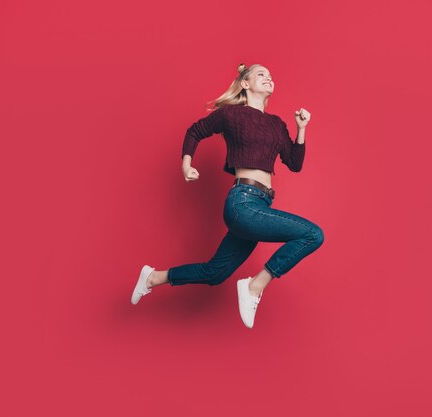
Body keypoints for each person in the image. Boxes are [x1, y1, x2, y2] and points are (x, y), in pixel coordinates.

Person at [131, 63, 324, 328]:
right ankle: (255, 287)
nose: (268, 78)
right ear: (245, 84)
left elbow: (294, 163)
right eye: (261, 74)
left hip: (260, 205)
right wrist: (186, 164)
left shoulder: (277, 125)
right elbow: (195, 131)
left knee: (215, 273)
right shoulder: (232, 115)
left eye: (270, 76)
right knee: (312, 234)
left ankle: (152, 277)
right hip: (242, 203)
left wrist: (301, 129)